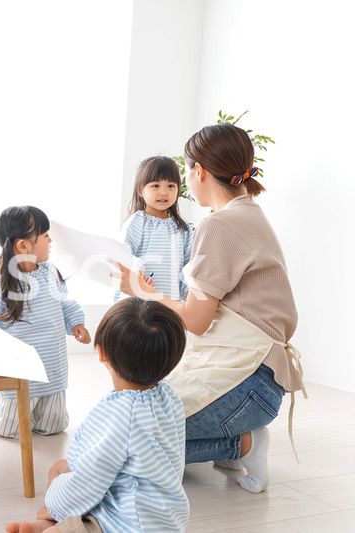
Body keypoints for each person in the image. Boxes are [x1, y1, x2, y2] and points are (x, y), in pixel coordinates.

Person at [112, 122, 306, 494]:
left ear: (198, 171)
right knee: (137, 433)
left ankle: (242, 444)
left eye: (183, 173)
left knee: (130, 436)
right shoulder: (249, 213)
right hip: (261, 383)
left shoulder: (219, 225)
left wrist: (140, 289)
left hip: (246, 383)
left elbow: (197, 321)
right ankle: (236, 443)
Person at [5, 298, 189, 533]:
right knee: (67, 470)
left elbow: (87, 484)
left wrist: (53, 503)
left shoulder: (120, 416)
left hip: (130, 525)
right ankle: (54, 523)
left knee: (59, 478)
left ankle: (52, 525)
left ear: (101, 353)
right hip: (168, 518)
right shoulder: (169, 397)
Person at [0, 205, 91, 438]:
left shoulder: (50, 273)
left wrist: (76, 323)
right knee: (10, 429)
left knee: (54, 426)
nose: (50, 240)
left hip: (52, 371)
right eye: (45, 236)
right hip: (21, 375)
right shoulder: (4, 283)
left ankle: (30, 411)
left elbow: (64, 304)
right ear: (23, 245)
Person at [117, 156, 192, 301]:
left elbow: (189, 267)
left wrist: (189, 293)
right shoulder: (138, 222)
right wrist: (138, 271)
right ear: (140, 190)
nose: (163, 192)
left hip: (171, 304)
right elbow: (123, 255)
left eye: (171, 186)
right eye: (155, 186)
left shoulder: (183, 228)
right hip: (137, 303)